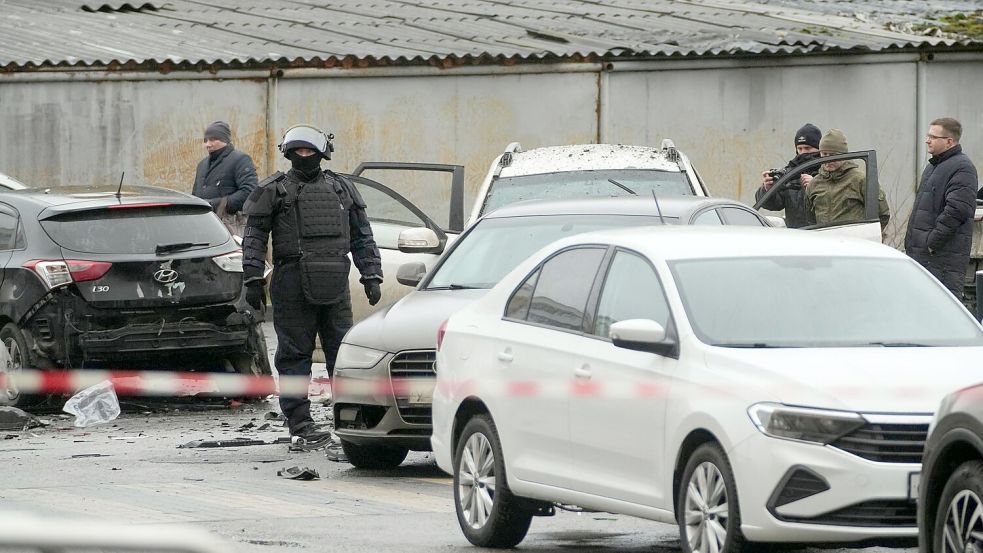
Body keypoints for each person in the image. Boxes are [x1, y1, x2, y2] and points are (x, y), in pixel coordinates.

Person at [240, 124, 383, 447]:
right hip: (291, 282)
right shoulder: (273, 190)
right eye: (298, 152)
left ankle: (348, 419)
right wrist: (251, 278)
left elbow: (362, 236)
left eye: (309, 152)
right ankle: (300, 423)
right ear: (289, 155)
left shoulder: (342, 189)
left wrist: (371, 274)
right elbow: (254, 238)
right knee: (294, 356)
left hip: (334, 280)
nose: (304, 157)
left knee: (342, 354)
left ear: (321, 154)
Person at [904, 117, 978, 298]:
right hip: (924, 257)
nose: (927, 140)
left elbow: (957, 210)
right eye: (928, 135)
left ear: (949, 141)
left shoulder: (962, 168)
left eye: (933, 137)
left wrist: (931, 243)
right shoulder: (933, 167)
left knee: (938, 312)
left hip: (942, 261)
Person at [805, 129, 890, 230]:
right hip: (825, 242)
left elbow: (882, 214)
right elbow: (810, 219)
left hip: (853, 242)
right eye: (824, 154)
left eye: (833, 155)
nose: (828, 159)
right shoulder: (814, 184)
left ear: (844, 154)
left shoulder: (860, 180)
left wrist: (868, 236)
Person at [754, 123, 822, 228]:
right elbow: (773, 205)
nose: (803, 153)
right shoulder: (790, 173)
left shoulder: (827, 171)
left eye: (807, 148)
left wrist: (816, 185)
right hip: (795, 236)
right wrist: (768, 189)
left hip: (824, 235)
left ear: (819, 149)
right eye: (800, 149)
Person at [191, 121, 258, 227]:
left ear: (225, 139)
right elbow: (195, 195)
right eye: (205, 140)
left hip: (230, 225)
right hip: (203, 223)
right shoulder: (202, 165)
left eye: (213, 139)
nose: (208, 144)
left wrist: (215, 205)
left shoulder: (240, 159)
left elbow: (249, 192)